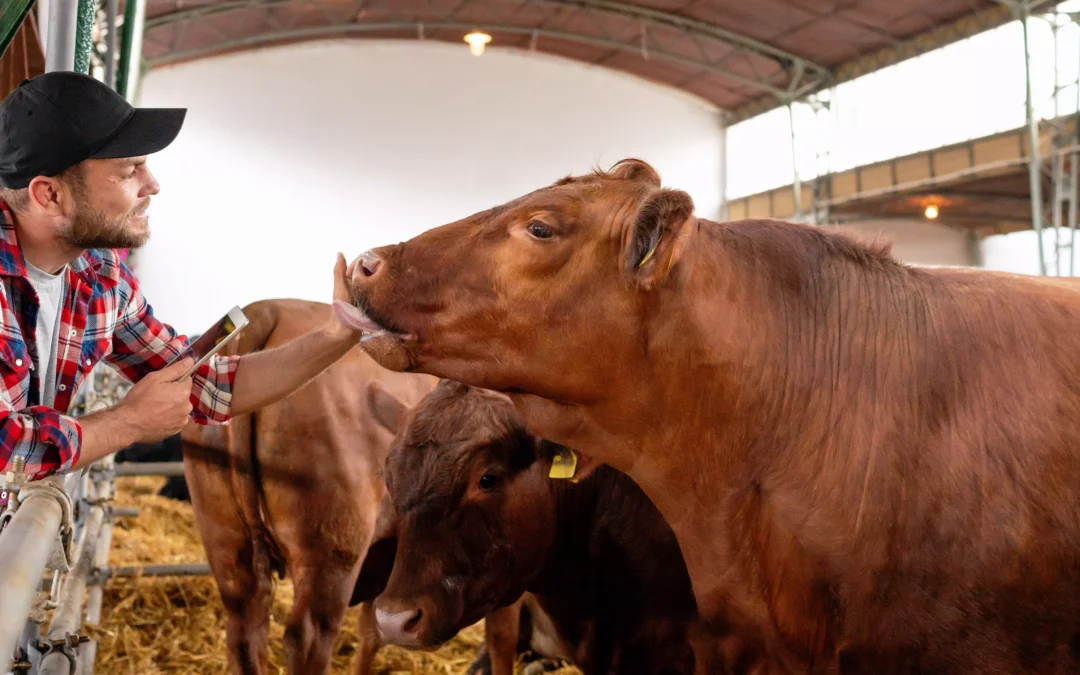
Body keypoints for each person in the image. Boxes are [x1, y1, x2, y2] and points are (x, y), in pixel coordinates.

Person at [0, 71, 364, 481]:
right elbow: (5, 449)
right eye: (128, 170)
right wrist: (128, 422)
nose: (152, 184)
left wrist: (336, 334)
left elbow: (204, 384)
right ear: (49, 195)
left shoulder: (100, 275)